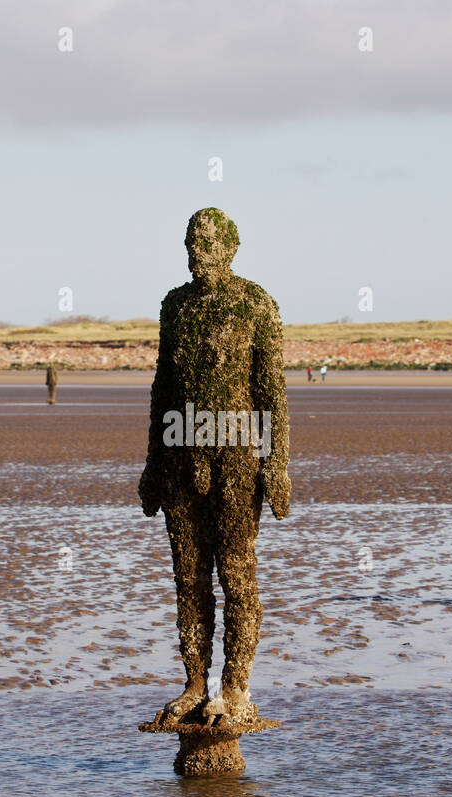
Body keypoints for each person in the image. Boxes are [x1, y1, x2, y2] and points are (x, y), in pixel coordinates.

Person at [139, 208, 290, 726]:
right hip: (182, 456)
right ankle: (195, 682)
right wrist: (152, 465)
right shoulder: (174, 307)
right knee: (188, 579)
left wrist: (277, 466)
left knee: (238, 577)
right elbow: (162, 390)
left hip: (238, 459)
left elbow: (272, 390)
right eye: (189, 243)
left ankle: (235, 688)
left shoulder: (254, 304)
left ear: (230, 247)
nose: (197, 252)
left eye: (207, 243)